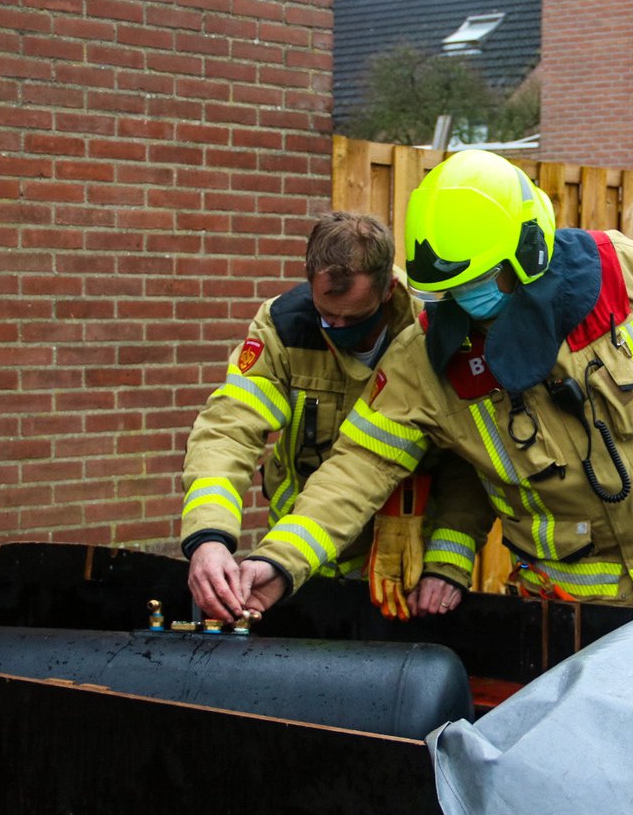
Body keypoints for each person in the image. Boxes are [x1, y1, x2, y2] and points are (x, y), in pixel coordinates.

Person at [203, 150, 633, 623]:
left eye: (480, 281)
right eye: (452, 290)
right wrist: (281, 562)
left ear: (529, 245)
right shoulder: (425, 361)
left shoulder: (620, 272)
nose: (467, 301)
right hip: (572, 610)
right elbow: (355, 469)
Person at [180, 211, 490, 620]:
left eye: (355, 318)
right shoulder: (283, 328)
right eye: (327, 315)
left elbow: (471, 459)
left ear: (387, 288)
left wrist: (448, 564)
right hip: (299, 555)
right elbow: (228, 430)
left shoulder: (434, 335)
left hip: (407, 568)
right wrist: (209, 537)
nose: (339, 328)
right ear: (310, 281)